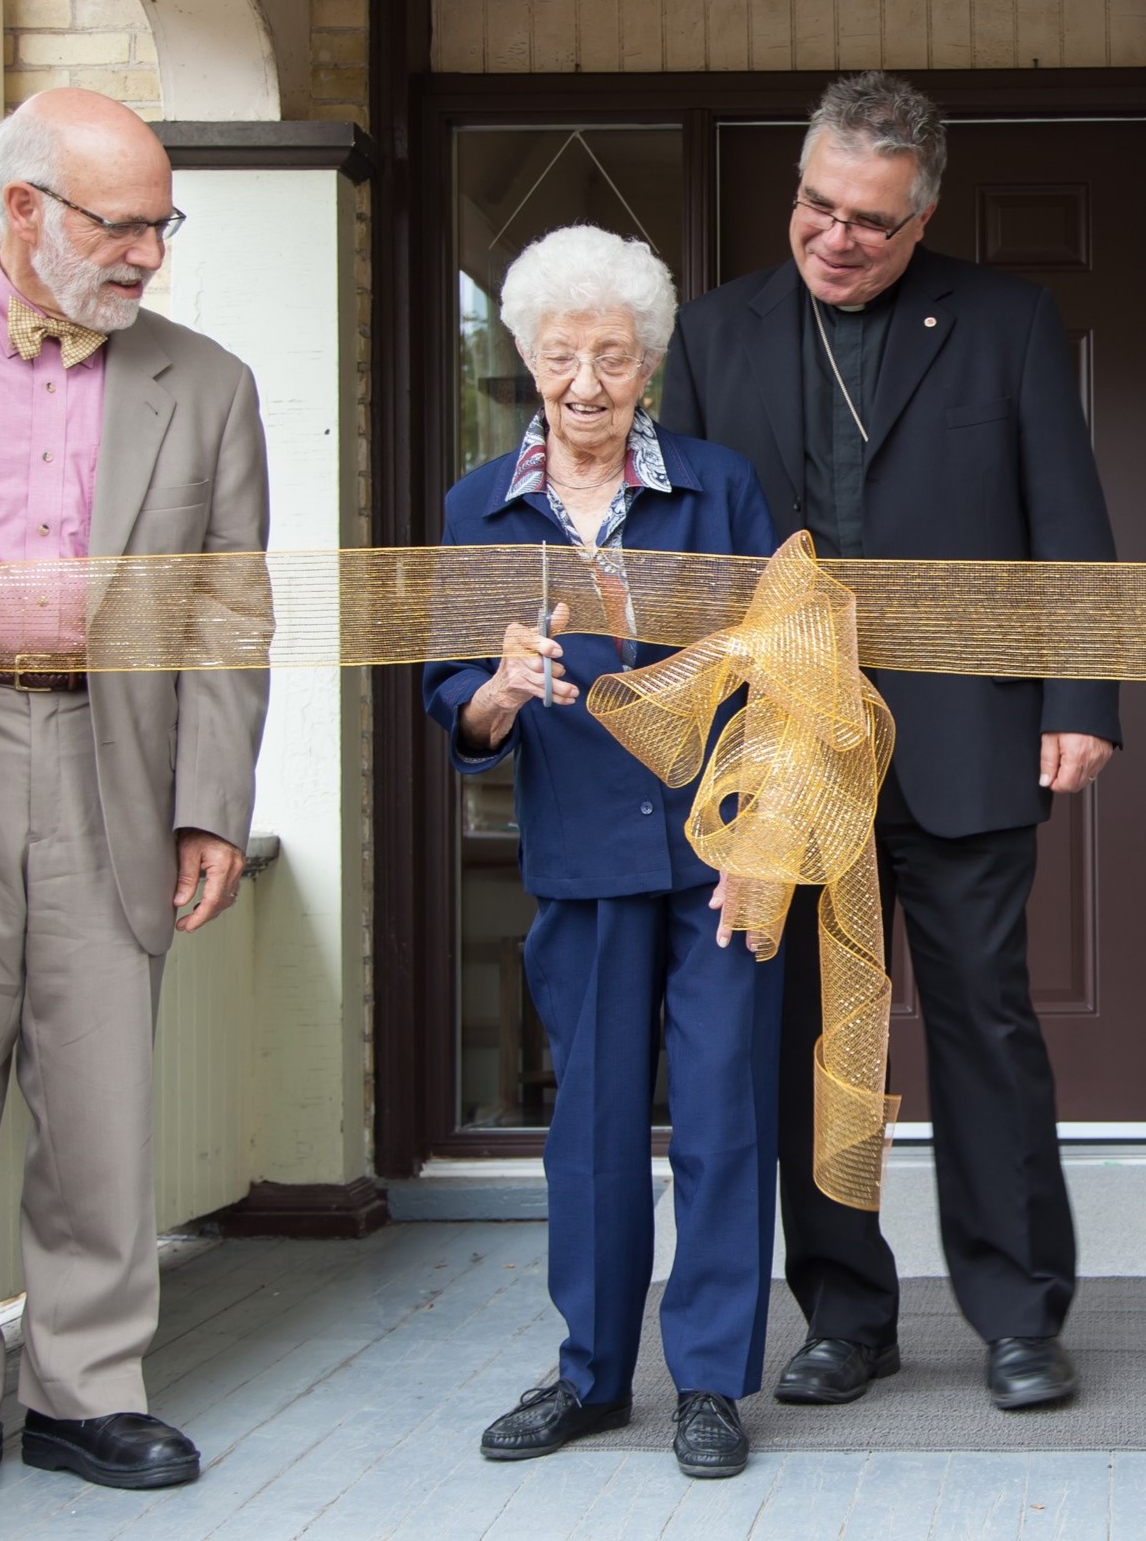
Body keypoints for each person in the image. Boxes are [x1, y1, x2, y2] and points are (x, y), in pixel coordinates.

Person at [662, 72, 1120, 1411]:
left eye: (870, 219)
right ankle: (844, 1314)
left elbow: (1067, 521)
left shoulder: (1007, 321)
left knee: (983, 1026)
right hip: (787, 753)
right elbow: (686, 558)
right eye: (818, 205)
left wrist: (1080, 698)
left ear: (920, 220)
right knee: (812, 1038)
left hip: (967, 742)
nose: (836, 236)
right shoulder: (711, 332)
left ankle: (1018, 1314)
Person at [0, 90, 269, 1502]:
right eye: (123, 224)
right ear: (23, 209)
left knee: (101, 1098)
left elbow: (227, 612)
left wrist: (210, 802)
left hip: (117, 759)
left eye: (164, 224)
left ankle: (85, 1390)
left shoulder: (209, 384)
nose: (150, 253)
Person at [423, 225, 781, 1479]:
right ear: (527, 357)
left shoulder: (719, 488)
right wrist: (499, 689)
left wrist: (761, 837)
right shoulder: (478, 506)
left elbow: (781, 677)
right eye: (562, 355)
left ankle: (710, 1383)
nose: (587, 384)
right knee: (590, 1129)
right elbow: (451, 696)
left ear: (649, 363)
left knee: (724, 1120)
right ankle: (590, 1376)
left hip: (717, 858)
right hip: (577, 861)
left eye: (613, 356)